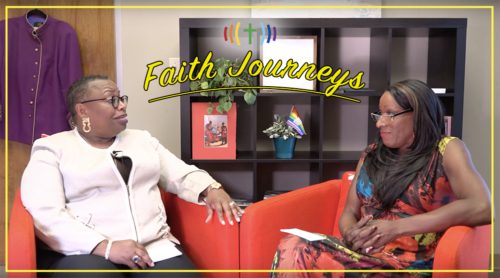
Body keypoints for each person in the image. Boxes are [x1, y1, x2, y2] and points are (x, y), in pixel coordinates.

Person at [20, 75, 244, 277]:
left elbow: (180, 173)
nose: (122, 105)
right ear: (82, 110)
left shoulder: (142, 140)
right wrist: (106, 247)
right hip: (84, 252)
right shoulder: (52, 148)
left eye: (122, 98)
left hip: (152, 247)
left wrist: (211, 188)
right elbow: (46, 213)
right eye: (112, 100)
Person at [271, 79, 491, 276]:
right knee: (292, 243)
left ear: (418, 115)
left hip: (407, 265)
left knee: (298, 248)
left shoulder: (446, 150)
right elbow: (349, 211)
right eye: (379, 114)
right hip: (361, 257)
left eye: (390, 114)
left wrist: (395, 228)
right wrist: (351, 233)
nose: (379, 123)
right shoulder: (372, 153)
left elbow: (483, 206)